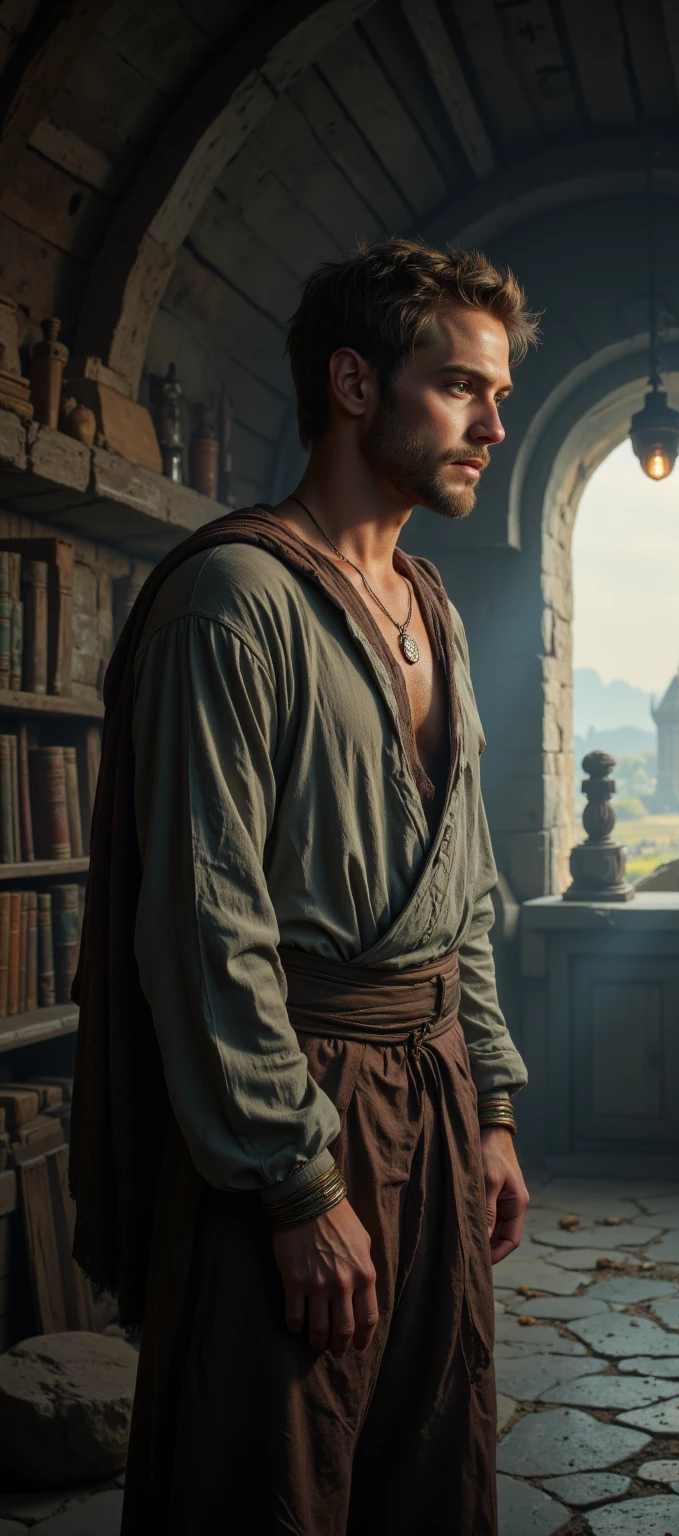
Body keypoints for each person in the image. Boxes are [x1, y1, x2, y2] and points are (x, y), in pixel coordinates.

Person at [69, 238, 539, 1534]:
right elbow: (203, 926)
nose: (494, 426)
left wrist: (492, 1105)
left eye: (498, 394)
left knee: (430, 1472)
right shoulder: (231, 602)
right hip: (295, 1106)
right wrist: (297, 1183)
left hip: (435, 1090)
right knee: (268, 1480)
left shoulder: (434, 608)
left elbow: (465, 889)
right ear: (353, 382)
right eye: (461, 387)